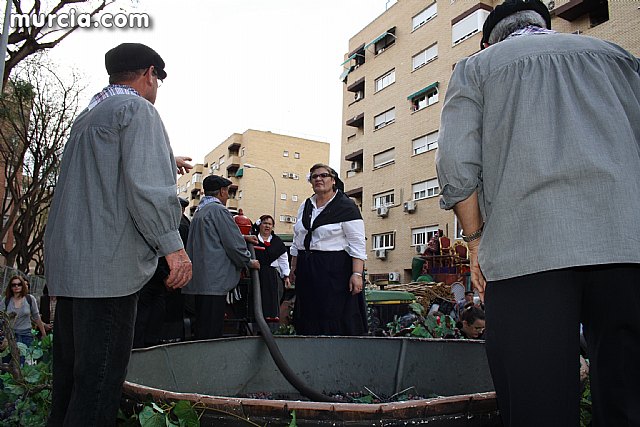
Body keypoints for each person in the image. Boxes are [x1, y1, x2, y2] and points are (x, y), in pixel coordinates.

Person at [435, 1, 640, 424]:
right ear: (545, 25)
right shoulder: (619, 58)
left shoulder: (477, 68)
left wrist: (475, 242)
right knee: (629, 400)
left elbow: (456, 165)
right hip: (627, 247)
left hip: (527, 253)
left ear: (487, 41)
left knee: (538, 406)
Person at [44, 43, 192, 426]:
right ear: (149, 74)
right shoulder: (138, 110)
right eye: (158, 79)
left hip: (73, 271)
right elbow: (148, 190)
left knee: (68, 387)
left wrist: (166, 157)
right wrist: (173, 248)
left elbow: (106, 173)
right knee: (97, 390)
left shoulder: (88, 117)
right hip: (108, 274)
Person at [290, 163, 367, 335]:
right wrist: (294, 267)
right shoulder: (306, 206)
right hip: (307, 267)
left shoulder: (346, 206)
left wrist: (357, 274)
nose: (318, 179)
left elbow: (357, 243)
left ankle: (334, 347)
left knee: (333, 315)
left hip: (334, 269)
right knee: (309, 314)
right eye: (314, 176)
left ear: (333, 180)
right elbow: (298, 238)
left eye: (323, 175)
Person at [183, 175, 260, 339]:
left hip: (200, 281)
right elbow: (233, 244)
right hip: (214, 282)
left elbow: (212, 236)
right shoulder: (219, 210)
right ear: (222, 192)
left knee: (202, 330)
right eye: (227, 192)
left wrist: (244, 237)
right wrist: (248, 261)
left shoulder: (200, 211)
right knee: (211, 333)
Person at [251, 214, 291, 319]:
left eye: (270, 224)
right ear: (260, 225)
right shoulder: (252, 239)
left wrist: (286, 276)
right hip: (255, 275)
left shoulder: (277, 242)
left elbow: (283, 260)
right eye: (265, 223)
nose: (267, 226)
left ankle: (270, 323)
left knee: (272, 300)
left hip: (272, 277)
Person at [1, 275, 47, 364]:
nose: (16, 286)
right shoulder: (6, 300)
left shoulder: (30, 299)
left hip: (26, 335)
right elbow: (1, 317)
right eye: (13, 285)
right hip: (10, 335)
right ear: (10, 287)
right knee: (7, 362)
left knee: (23, 363)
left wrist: (43, 334)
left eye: (19, 284)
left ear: (23, 285)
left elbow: (36, 317)